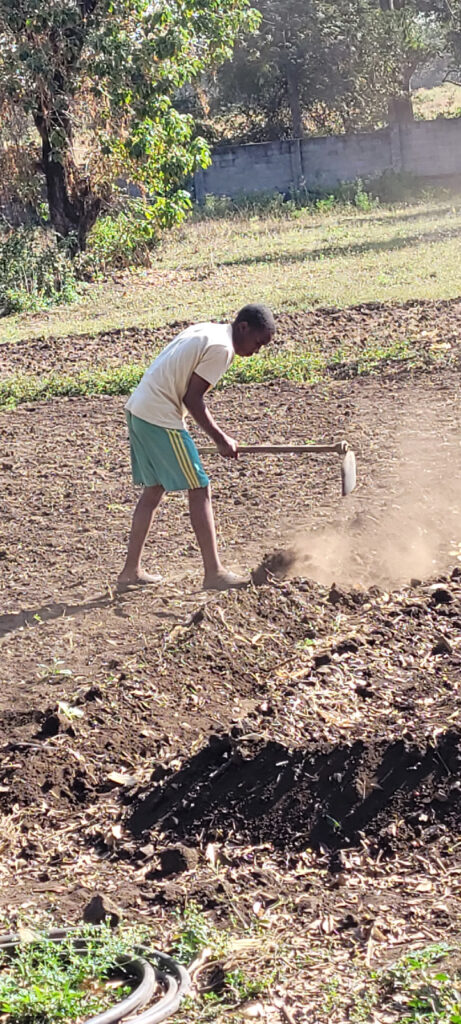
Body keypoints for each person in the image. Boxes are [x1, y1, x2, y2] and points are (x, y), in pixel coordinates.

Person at [118, 303, 275, 591]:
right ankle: (214, 573)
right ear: (243, 327)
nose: (257, 350)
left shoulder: (209, 330)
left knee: (153, 490)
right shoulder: (222, 349)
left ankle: (130, 572)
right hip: (159, 416)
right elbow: (192, 398)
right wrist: (221, 439)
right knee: (199, 488)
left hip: (139, 409)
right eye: (257, 342)